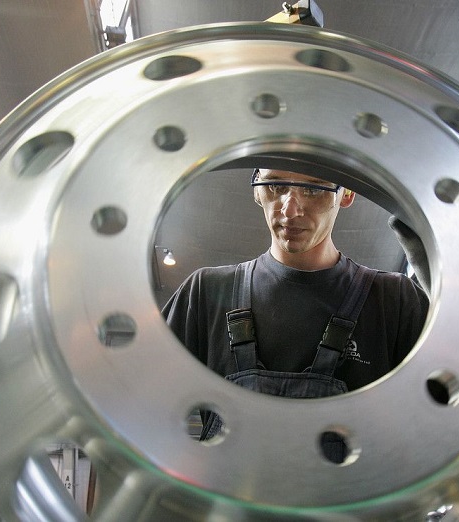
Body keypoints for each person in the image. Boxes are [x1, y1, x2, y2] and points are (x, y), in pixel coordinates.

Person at [162, 168, 430, 450]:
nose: (290, 209)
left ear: (347, 193)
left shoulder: (395, 299)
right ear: (256, 189)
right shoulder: (205, 291)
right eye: (275, 186)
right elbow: (139, 401)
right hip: (223, 493)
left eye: (314, 189)